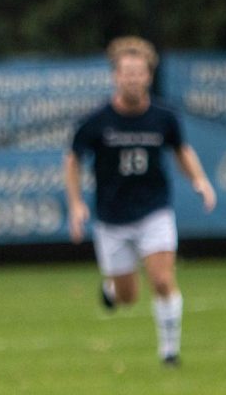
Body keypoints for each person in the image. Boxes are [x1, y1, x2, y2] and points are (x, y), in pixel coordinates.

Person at [65, 36, 216, 366]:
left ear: (148, 76)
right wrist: (76, 204)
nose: (132, 79)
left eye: (139, 72)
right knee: (127, 297)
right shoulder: (96, 121)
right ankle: (111, 289)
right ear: (115, 77)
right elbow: (73, 159)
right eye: (126, 72)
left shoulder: (163, 117)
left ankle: (169, 352)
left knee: (162, 279)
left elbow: (181, 150)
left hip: (153, 210)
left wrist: (200, 180)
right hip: (112, 217)